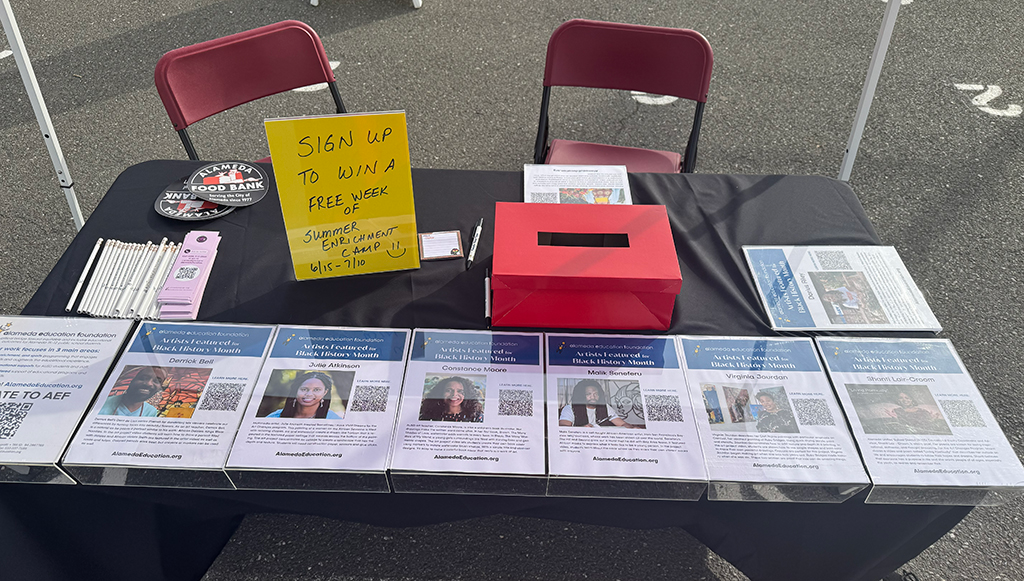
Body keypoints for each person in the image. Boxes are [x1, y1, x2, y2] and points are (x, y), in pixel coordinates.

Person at [558, 379, 637, 428]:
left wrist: (632, 427)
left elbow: (622, 424)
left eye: (596, 394)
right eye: (588, 394)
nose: (593, 397)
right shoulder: (569, 408)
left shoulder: (605, 407)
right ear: (581, 395)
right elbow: (563, 428)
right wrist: (581, 429)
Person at [267, 371, 341, 419]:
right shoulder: (275, 417)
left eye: (316, 390)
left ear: (325, 392)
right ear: (296, 390)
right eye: (304, 389)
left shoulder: (333, 419)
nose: (309, 394)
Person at [100, 366, 168, 417]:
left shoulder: (151, 412)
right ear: (131, 379)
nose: (149, 383)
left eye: (157, 381)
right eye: (143, 378)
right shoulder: (103, 403)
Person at [418, 376, 483, 422]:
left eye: (460, 391)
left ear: (467, 395)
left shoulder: (475, 417)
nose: (454, 395)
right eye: (448, 390)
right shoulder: (428, 415)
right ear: (440, 393)